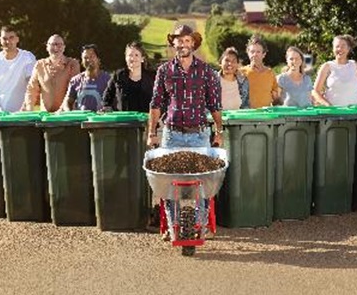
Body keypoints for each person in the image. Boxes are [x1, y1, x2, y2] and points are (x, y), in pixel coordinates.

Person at [147, 24, 223, 240]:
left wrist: (219, 131)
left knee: (204, 184)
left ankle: (198, 225)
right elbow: (156, 104)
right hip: (172, 134)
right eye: (179, 40)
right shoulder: (164, 71)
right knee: (169, 184)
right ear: (174, 44)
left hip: (199, 134)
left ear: (193, 43)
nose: (183, 44)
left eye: (187, 40)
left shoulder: (205, 71)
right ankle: (174, 226)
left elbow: (214, 104)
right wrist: (152, 132)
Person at [0, 25, 36, 112]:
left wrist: (25, 106)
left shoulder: (28, 57)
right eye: (4, 38)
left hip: (23, 113)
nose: (8, 41)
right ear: (0, 40)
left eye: (11, 37)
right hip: (0, 114)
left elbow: (31, 85)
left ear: (17, 39)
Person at [22, 34, 80, 112]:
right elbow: (32, 89)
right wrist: (29, 108)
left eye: (59, 45)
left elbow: (73, 90)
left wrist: (62, 110)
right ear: (47, 47)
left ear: (64, 47)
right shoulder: (39, 65)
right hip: (46, 116)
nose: (56, 47)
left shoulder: (73, 64)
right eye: (53, 44)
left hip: (66, 115)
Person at [312, 34, 357, 106]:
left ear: (348, 49)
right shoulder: (327, 66)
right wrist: (328, 105)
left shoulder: (354, 65)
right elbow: (315, 91)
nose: (340, 49)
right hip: (334, 114)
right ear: (333, 49)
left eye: (343, 46)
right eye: (337, 46)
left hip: (354, 113)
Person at [102, 41, 155, 112]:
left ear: (142, 58)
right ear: (125, 57)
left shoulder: (152, 77)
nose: (133, 58)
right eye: (130, 55)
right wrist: (107, 107)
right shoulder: (118, 76)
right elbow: (107, 98)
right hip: (123, 121)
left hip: (146, 120)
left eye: (136, 55)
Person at [60, 44, 110, 111]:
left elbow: (115, 102)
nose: (88, 60)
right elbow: (67, 102)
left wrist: (108, 109)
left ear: (98, 59)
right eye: (85, 58)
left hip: (101, 120)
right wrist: (69, 113)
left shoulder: (108, 80)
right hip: (81, 120)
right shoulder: (75, 81)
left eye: (91, 56)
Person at [241, 35, 278, 108]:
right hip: (245, 115)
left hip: (265, 116)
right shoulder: (241, 72)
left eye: (258, 52)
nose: (255, 54)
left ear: (264, 54)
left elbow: (275, 97)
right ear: (248, 53)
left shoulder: (270, 73)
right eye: (252, 51)